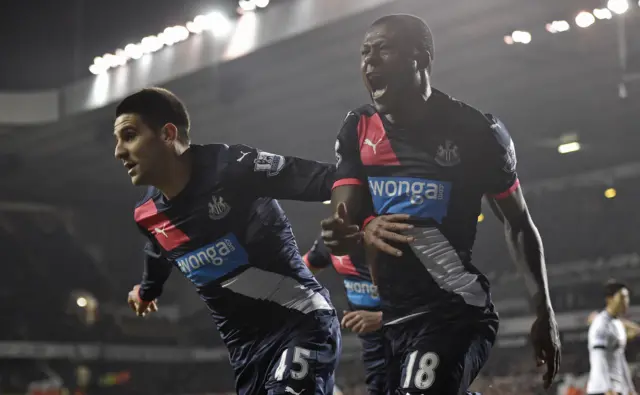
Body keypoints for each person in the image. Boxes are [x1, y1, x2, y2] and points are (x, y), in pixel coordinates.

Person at [320, 14, 561, 394]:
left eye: (383, 50)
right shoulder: (358, 128)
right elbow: (343, 220)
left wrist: (543, 312)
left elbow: (518, 222)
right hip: (393, 321)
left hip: (454, 312)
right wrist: (353, 230)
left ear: (422, 57)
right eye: (365, 53)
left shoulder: (477, 133)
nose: (370, 61)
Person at [113, 87, 340, 395]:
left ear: (167, 134)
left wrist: (367, 207)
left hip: (302, 322)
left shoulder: (231, 167)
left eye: (129, 135)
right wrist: (147, 291)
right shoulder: (148, 216)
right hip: (246, 353)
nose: (119, 151)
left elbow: (327, 179)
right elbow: (157, 253)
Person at [303, 236, 385, 395]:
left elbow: (438, 298)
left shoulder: (393, 239)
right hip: (373, 350)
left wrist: (383, 318)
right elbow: (297, 271)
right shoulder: (331, 240)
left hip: (411, 339)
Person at [586, 280, 637, 395]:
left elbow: (620, 358)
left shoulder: (617, 324)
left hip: (617, 389)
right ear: (610, 299)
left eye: (627, 298)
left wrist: (630, 389)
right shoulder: (600, 324)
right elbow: (600, 357)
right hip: (601, 390)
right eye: (622, 297)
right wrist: (607, 388)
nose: (626, 302)